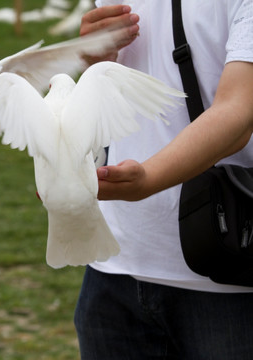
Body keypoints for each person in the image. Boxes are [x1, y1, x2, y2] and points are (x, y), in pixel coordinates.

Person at [73, 1, 253, 359]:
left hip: (229, 273)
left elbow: (239, 112)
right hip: (113, 264)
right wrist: (96, 62)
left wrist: (148, 178)